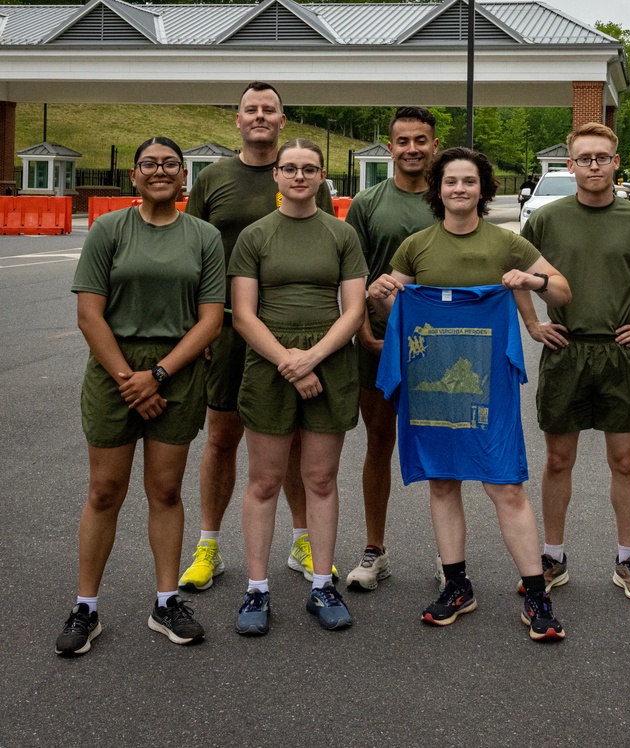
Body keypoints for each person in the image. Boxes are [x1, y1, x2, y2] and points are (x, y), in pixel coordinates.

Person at [369, 147, 571, 641]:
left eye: (469, 182)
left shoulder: (506, 242)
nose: (460, 189)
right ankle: (457, 584)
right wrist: (382, 294)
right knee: (442, 482)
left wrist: (533, 280)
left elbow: (562, 291)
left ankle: (536, 594)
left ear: (483, 190)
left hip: (488, 385)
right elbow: (395, 303)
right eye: (451, 181)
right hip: (431, 381)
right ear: (437, 190)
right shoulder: (416, 246)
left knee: (505, 485)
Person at [56, 137, 225, 656]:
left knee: (166, 490)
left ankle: (166, 601)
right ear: (133, 175)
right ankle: (87, 606)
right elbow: (89, 314)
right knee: (105, 490)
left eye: (170, 164)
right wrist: (132, 379)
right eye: (149, 164)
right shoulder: (108, 230)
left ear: (183, 178)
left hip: (176, 369)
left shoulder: (204, 236)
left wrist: (158, 374)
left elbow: (212, 320)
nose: (159, 170)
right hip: (115, 368)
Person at [179, 82, 336, 592]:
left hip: (294, 332)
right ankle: (208, 546)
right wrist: (195, 326)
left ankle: (302, 539)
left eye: (270, 109)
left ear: (283, 119)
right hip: (227, 327)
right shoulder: (214, 179)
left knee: (292, 439)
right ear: (238, 119)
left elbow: (325, 254)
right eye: (252, 109)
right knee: (222, 437)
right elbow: (192, 253)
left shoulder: (311, 180)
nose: (261, 116)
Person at [517, 122, 630, 601]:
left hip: (620, 351)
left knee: (624, 461)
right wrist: (534, 325)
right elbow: (516, 274)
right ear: (571, 164)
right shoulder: (546, 219)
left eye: (602, 157)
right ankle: (553, 556)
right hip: (566, 351)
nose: (594, 166)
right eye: (585, 158)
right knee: (559, 460)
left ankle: (627, 559)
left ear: (616, 163)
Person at [228, 139, 367, 635]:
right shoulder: (255, 236)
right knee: (264, 480)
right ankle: (257, 590)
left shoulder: (341, 235)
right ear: (277, 176)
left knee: (320, 479)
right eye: (290, 168)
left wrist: (313, 357)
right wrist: (288, 360)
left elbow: (353, 310)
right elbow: (242, 313)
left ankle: (321, 586)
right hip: (270, 361)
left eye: (309, 169)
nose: (299, 176)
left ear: (322, 176)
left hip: (328, 360)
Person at [343, 106, 438, 591]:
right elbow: (352, 276)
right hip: (378, 345)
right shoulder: (367, 203)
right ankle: (375, 548)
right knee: (379, 442)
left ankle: (450, 557)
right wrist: (361, 331)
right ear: (390, 147)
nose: (412, 149)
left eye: (421, 140)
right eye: (403, 141)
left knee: (443, 447)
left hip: (439, 347)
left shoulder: (450, 199)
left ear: (434, 146)